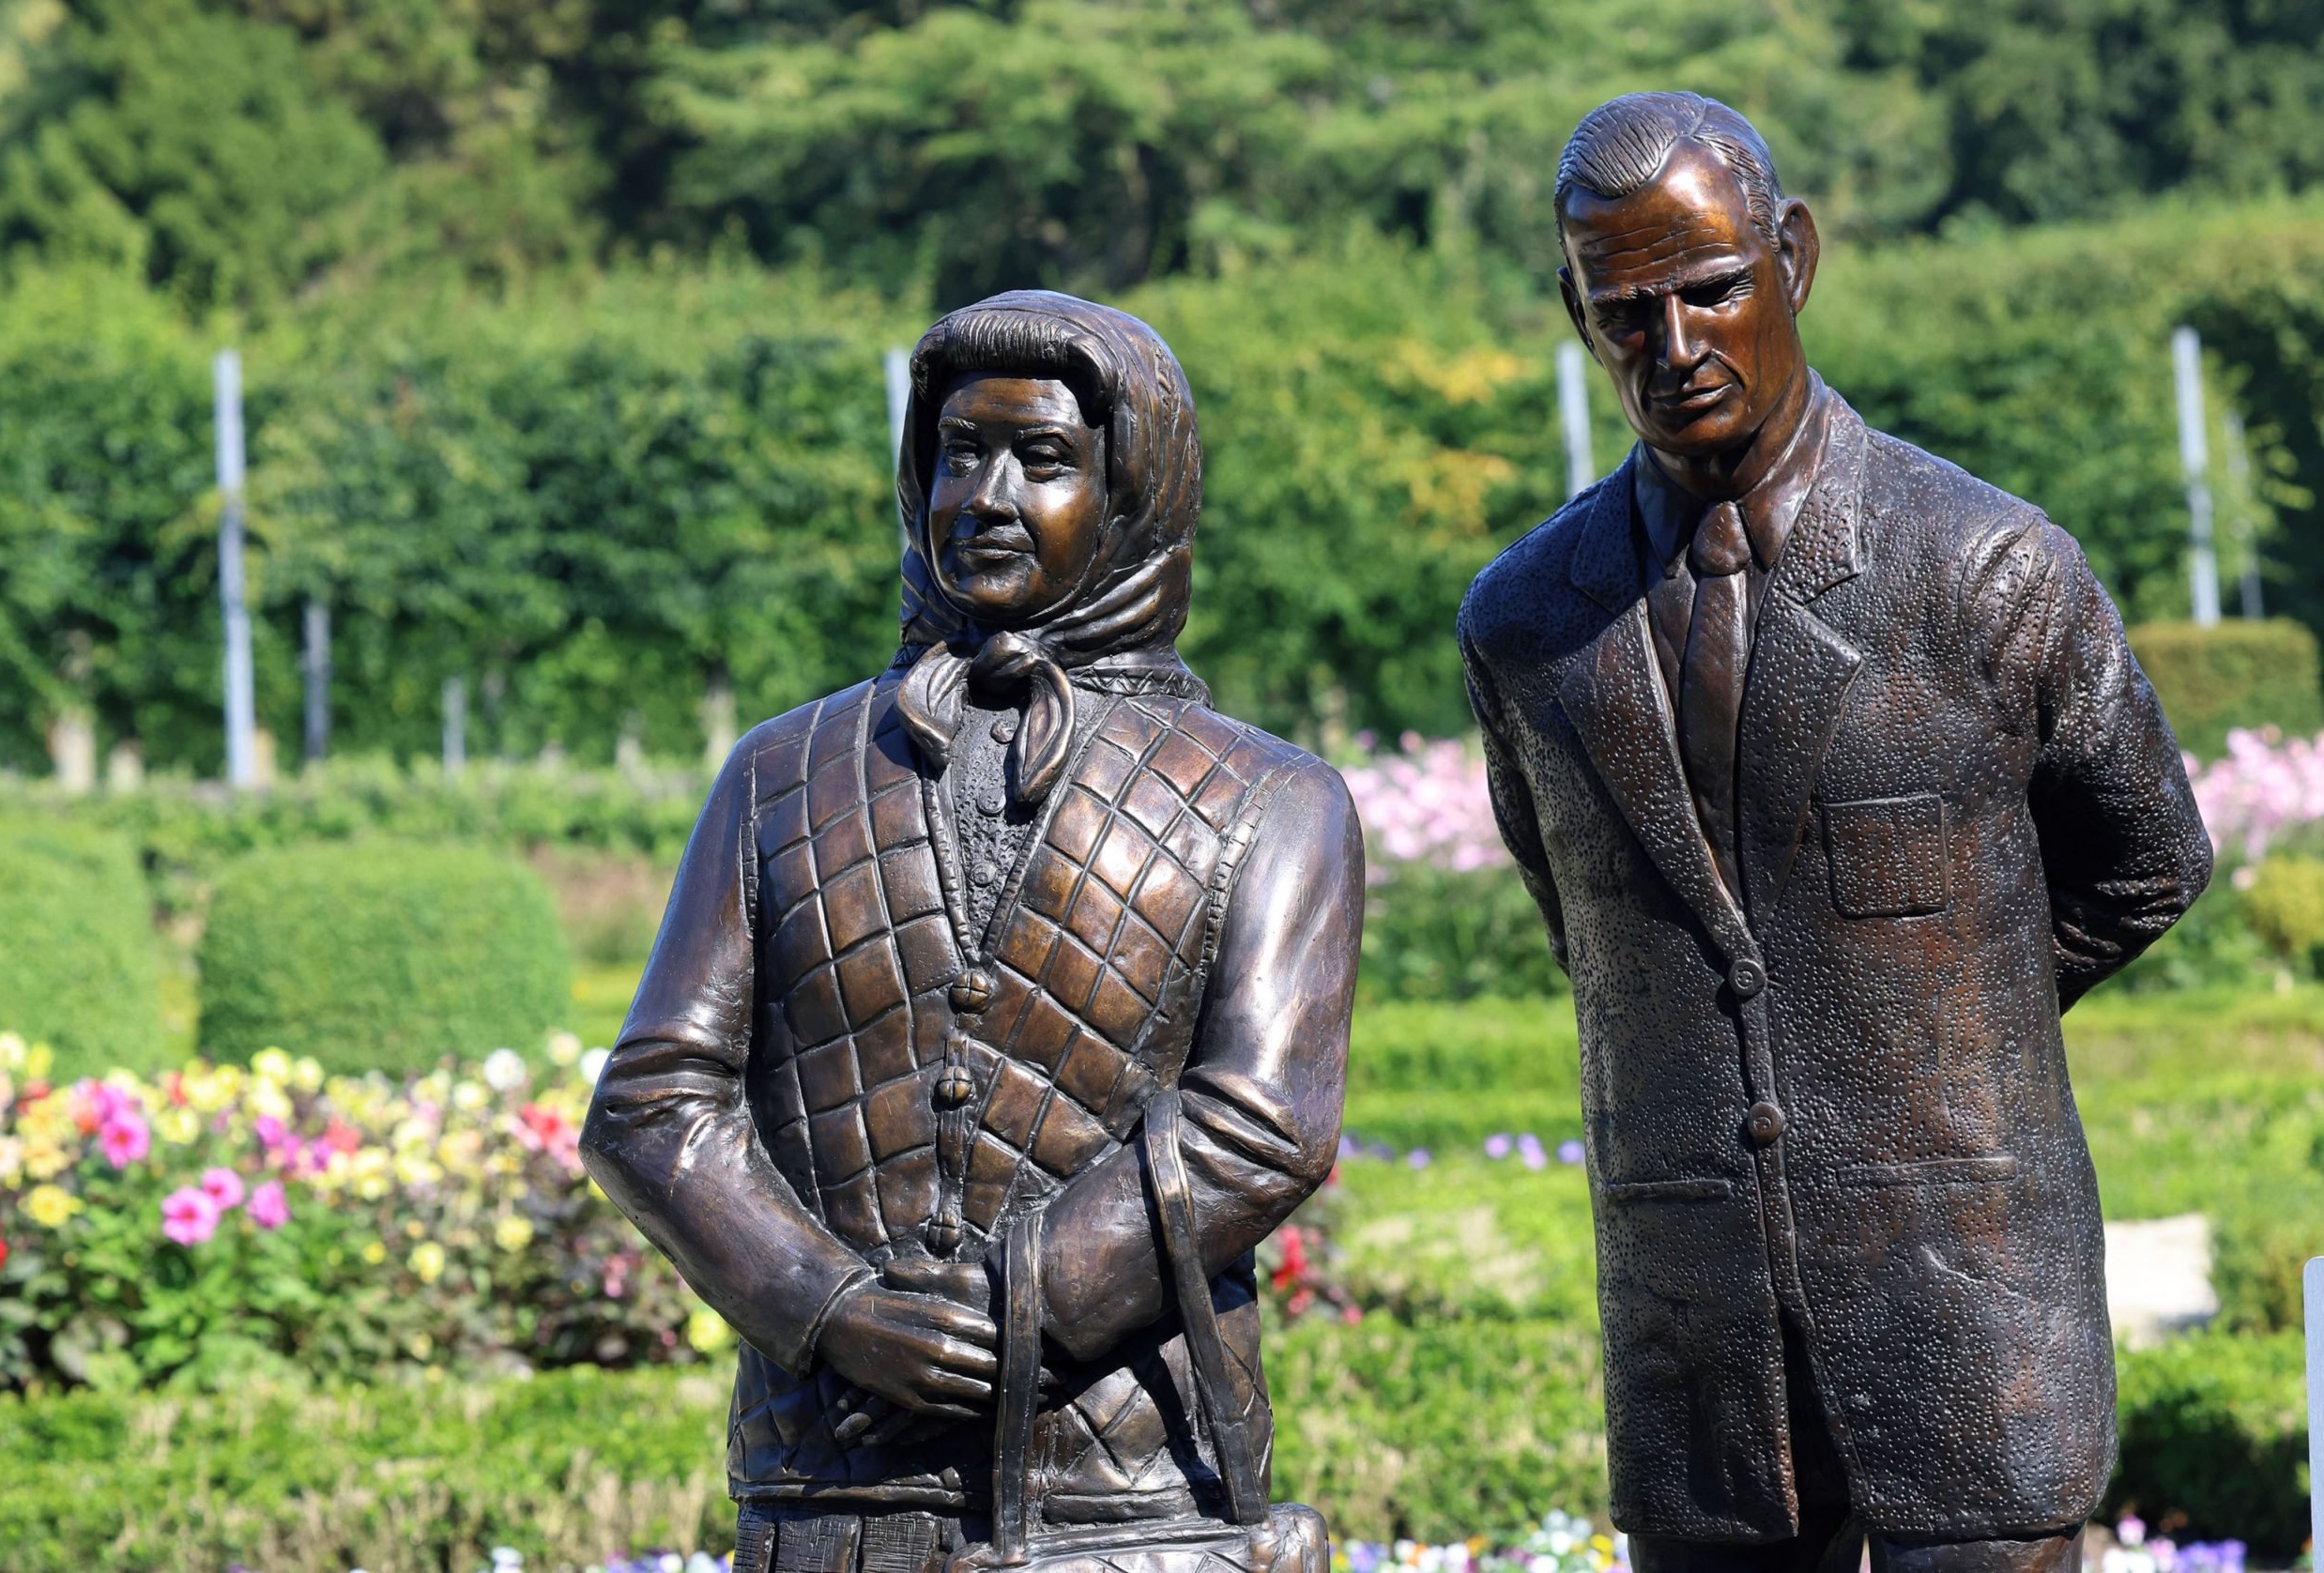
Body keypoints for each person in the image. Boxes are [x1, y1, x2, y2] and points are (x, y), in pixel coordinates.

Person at [1458, 93, 2211, 1573]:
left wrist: (1941, 1016)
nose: (1671, 350)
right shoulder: (1529, 626)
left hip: (1971, 1307)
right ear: (1575, 310)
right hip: (1700, 1339)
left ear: (1791, 259)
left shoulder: (1985, 568)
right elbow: (1594, 931)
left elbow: (2150, 859)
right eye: (1624, 312)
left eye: (1711, 290)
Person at [583, 291, 1361, 1573]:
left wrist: (1019, 1306)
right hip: (830, 1485)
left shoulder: (1273, 801)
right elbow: (654, 1101)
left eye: (1042, 460)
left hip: (1131, 1481)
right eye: (958, 452)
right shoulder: (777, 775)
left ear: (1134, 492)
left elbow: (1265, 1125)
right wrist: (829, 1310)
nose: (986, 495)